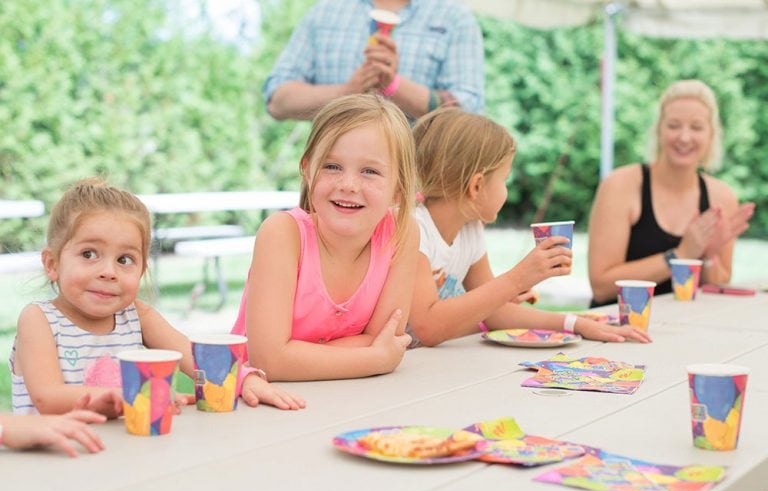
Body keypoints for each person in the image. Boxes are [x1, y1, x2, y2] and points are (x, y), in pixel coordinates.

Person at [10, 178, 304, 417]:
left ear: (141, 270)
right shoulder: (40, 320)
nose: (109, 272)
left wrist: (246, 380)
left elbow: (196, 359)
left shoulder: (136, 315)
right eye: (89, 254)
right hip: (53, 460)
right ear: (52, 264)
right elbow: (48, 398)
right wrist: (130, 396)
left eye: (124, 259)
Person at [407, 107, 651, 347]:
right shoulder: (414, 228)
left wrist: (575, 324)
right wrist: (518, 278)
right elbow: (428, 327)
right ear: (477, 186)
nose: (507, 189)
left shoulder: (469, 230)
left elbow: (495, 313)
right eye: (505, 179)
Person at [232, 93, 419, 383]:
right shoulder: (282, 235)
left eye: (370, 171)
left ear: (399, 189)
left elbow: (388, 338)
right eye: (332, 166)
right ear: (307, 170)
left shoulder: (401, 233)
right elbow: (268, 361)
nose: (348, 185)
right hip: (256, 399)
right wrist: (374, 358)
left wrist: (294, 355)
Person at [588, 79, 755, 306]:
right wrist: (681, 254)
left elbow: (718, 286)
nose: (684, 137)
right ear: (658, 130)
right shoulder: (620, 185)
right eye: (674, 125)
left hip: (686, 323)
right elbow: (601, 287)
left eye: (696, 127)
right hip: (618, 324)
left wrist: (707, 256)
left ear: (711, 135)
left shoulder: (722, 197)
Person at [263, 0, 484, 121]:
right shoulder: (323, 12)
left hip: (419, 184)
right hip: (334, 183)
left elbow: (468, 114)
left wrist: (393, 86)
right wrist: (347, 92)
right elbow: (276, 101)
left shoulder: (455, 18)